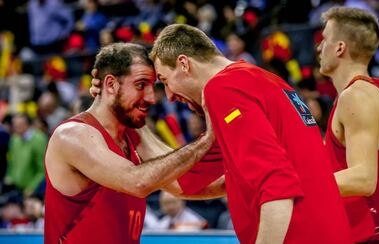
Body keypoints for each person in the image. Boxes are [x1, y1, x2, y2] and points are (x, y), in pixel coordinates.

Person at [148, 24, 352, 244]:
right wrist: (138, 130)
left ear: (184, 64)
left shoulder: (223, 89)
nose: (168, 96)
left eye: (166, 81)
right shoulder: (262, 80)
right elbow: (184, 180)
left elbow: (278, 185)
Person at [44, 43, 221, 244]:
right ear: (110, 84)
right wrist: (208, 139)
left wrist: (248, 176)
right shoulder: (73, 135)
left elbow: (183, 182)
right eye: (140, 85)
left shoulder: (131, 132)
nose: (151, 97)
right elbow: (138, 182)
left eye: (152, 87)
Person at [317, 6, 379, 243]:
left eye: (324, 39)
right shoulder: (375, 90)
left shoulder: (356, 96)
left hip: (370, 235)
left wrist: (299, 181)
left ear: (340, 47)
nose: (319, 47)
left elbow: (364, 179)